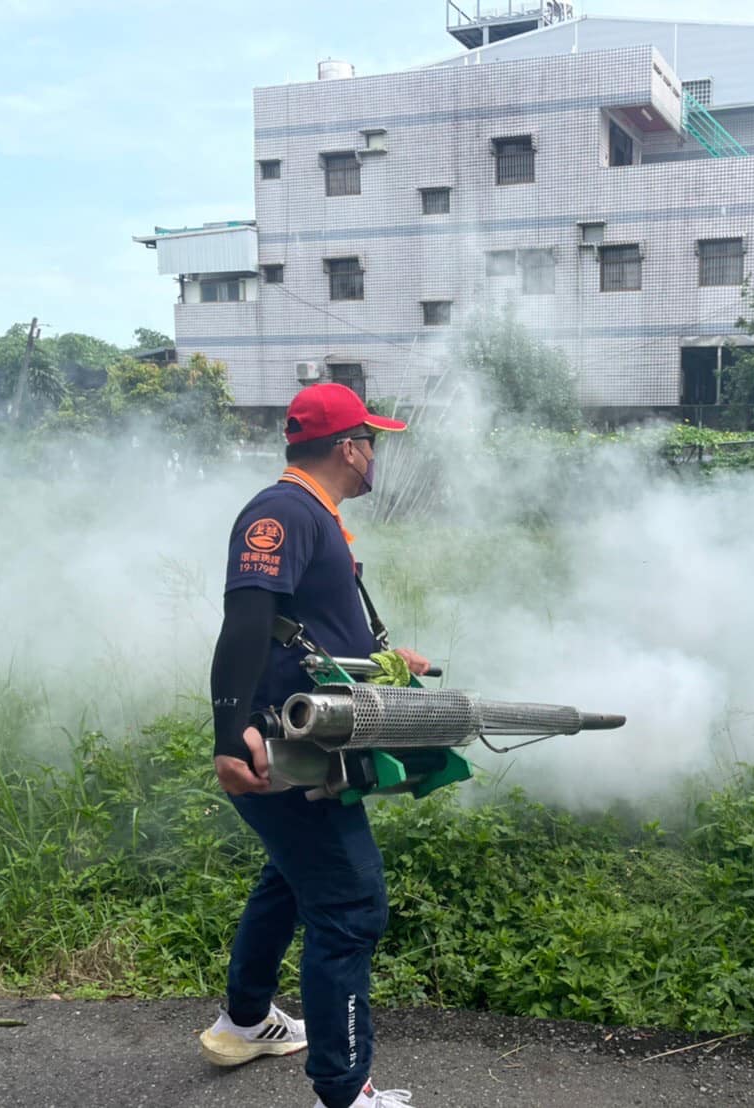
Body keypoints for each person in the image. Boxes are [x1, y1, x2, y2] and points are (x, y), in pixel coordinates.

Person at [200, 382, 428, 1108]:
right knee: (351, 902)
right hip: (279, 743)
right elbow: (246, 619)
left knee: (291, 877)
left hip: (306, 738)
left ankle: (244, 1021)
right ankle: (344, 1089)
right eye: (372, 443)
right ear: (347, 447)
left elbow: (307, 632)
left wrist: (390, 661)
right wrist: (228, 728)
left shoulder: (315, 516)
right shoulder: (284, 511)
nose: (375, 458)